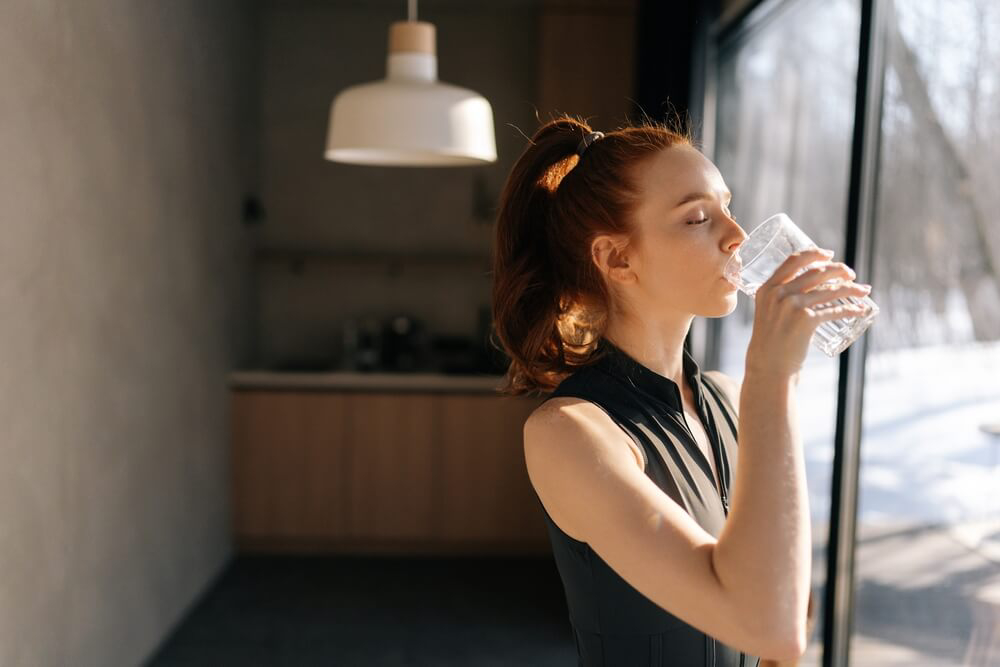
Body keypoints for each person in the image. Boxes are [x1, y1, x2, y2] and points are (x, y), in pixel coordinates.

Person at [489, 114, 867, 666]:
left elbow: (789, 615)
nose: (737, 236)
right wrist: (773, 376)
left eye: (728, 207)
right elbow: (772, 628)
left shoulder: (730, 398)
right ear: (617, 258)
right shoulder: (569, 433)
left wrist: (770, 383)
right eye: (697, 218)